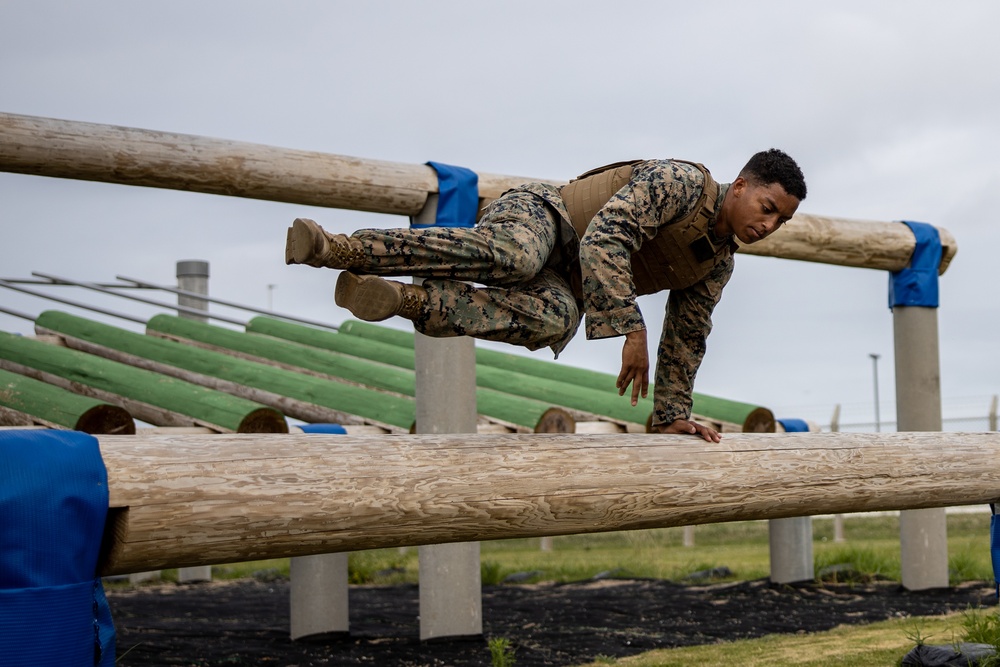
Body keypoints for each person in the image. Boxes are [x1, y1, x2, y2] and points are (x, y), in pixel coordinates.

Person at [285, 149, 806, 442]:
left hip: (568, 279)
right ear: (739, 186)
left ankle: (402, 300)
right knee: (517, 255)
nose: (769, 224)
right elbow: (607, 235)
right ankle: (341, 248)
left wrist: (671, 414)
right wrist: (631, 327)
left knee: (558, 320)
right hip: (545, 220)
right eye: (766, 206)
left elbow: (688, 337)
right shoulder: (683, 183)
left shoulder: (716, 263)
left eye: (781, 219)